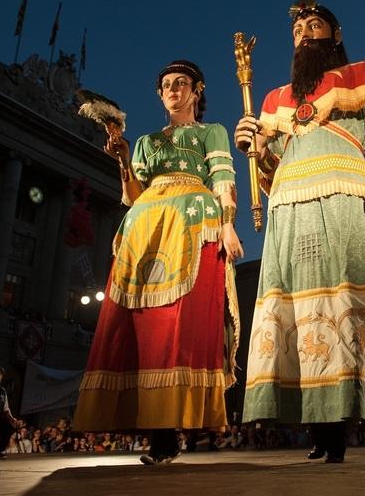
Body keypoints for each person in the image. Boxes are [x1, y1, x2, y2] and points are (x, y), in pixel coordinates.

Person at [234, 0, 365, 464]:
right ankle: (315, 426)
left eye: (314, 26)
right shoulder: (276, 98)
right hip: (289, 203)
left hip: (345, 194)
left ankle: (339, 425)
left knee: (341, 301)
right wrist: (253, 149)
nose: (304, 35)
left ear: (334, 35)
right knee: (296, 311)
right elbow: (271, 167)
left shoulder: (362, 73)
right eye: (298, 31)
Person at [74, 59, 242, 465]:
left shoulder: (211, 132)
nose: (172, 89)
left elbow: (222, 180)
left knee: (179, 326)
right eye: (166, 84)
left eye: (181, 83)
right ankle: (156, 433)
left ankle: (171, 432)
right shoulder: (147, 142)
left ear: (197, 90)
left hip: (192, 225)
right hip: (145, 227)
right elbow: (132, 193)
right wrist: (122, 157)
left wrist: (228, 225)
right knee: (141, 328)